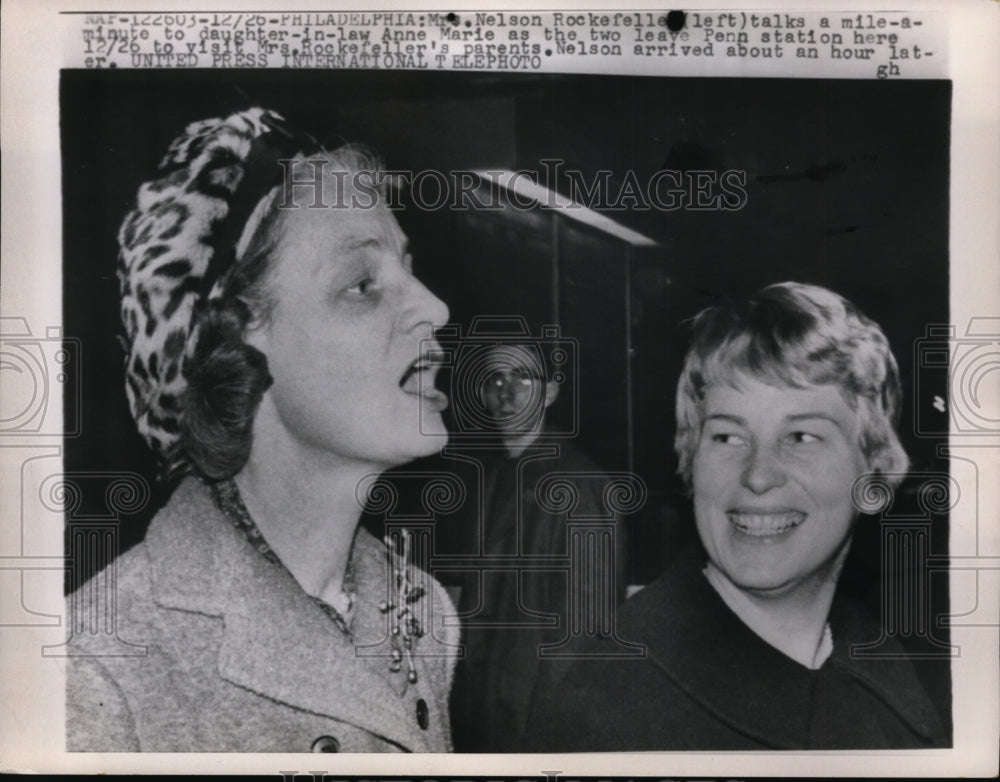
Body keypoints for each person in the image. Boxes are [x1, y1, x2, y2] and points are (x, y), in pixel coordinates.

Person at [66, 107, 459, 752]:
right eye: (362, 284)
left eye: (407, 268)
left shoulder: (423, 614)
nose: (435, 307)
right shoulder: (101, 668)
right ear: (233, 344)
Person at [525, 282, 947, 750]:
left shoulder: (881, 660)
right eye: (727, 437)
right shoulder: (609, 704)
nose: (759, 476)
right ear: (691, 459)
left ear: (873, 470)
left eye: (802, 436)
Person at [447, 342, 628, 752]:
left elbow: (586, 633)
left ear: (549, 393)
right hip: (482, 715)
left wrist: (554, 732)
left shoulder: (581, 486)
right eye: (495, 379)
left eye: (524, 378)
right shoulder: (493, 478)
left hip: (534, 725)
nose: (507, 393)